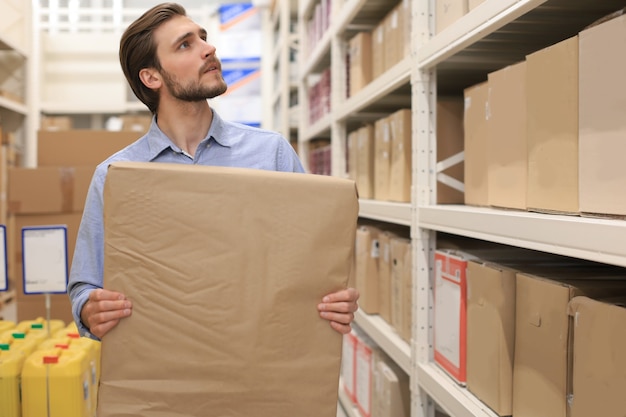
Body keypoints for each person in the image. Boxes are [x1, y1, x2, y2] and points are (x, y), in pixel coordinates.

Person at [68, 2, 359, 341]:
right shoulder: (117, 177)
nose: (209, 49)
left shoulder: (271, 154)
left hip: (260, 363)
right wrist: (91, 308)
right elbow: (85, 284)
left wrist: (336, 298)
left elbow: (314, 262)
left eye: (203, 37)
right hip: (165, 370)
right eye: (185, 44)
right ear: (151, 77)